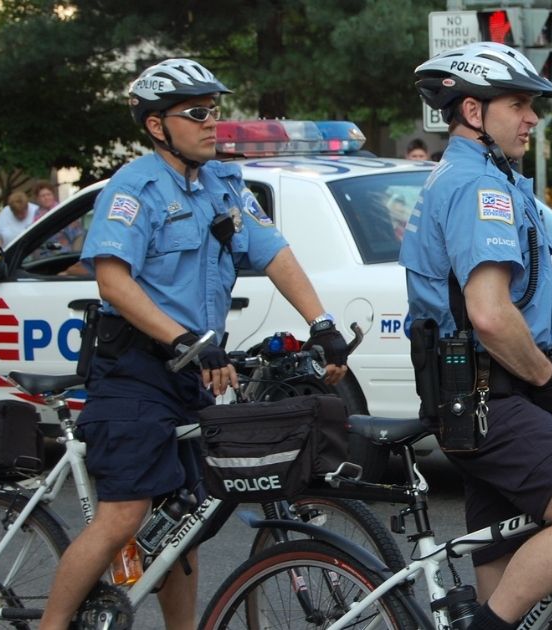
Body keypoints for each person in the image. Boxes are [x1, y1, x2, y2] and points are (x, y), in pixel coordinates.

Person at [38, 58, 353, 630]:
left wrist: (322, 323)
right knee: (124, 515)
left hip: (194, 374)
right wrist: (186, 338)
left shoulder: (223, 185)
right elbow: (113, 281)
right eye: (199, 112)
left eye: (216, 110)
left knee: (183, 520)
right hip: (135, 370)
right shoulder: (134, 187)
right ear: (158, 125)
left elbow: (274, 254)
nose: (215, 123)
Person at [402, 42, 552, 629]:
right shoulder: (477, 188)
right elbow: (489, 314)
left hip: (494, 398)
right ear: (474, 112)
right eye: (520, 104)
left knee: (503, 581)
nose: (533, 118)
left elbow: (544, 302)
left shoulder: (501, 181)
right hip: (488, 400)